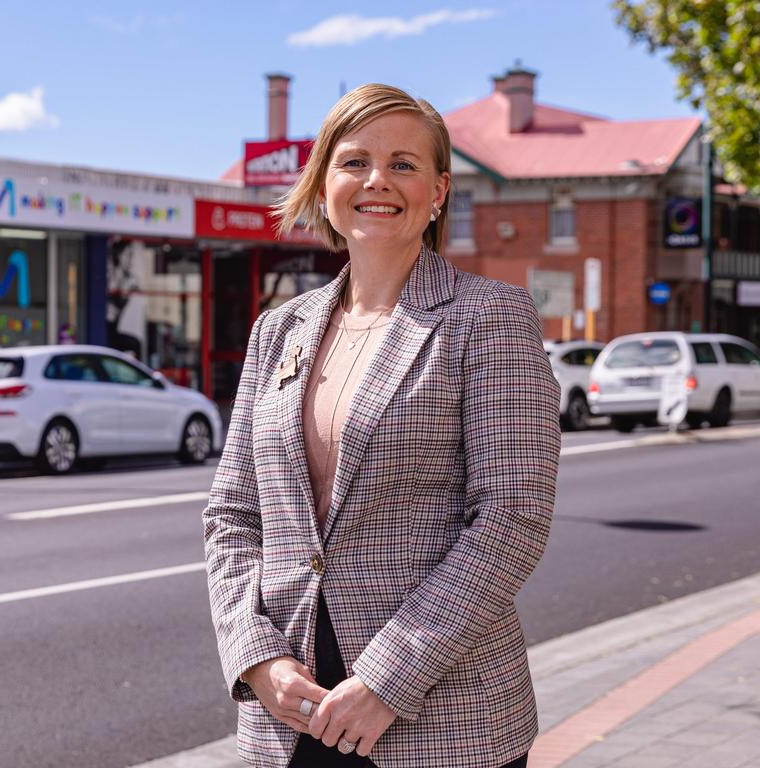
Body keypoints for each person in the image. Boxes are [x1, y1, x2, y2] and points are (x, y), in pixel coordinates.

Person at [203, 84, 561, 768]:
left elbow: (511, 518)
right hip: (291, 717)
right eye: (354, 162)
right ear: (323, 183)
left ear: (438, 191)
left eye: (403, 164)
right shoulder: (279, 330)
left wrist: (388, 679)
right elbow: (232, 512)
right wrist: (257, 659)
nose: (377, 181)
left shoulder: (488, 317)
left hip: (441, 717)